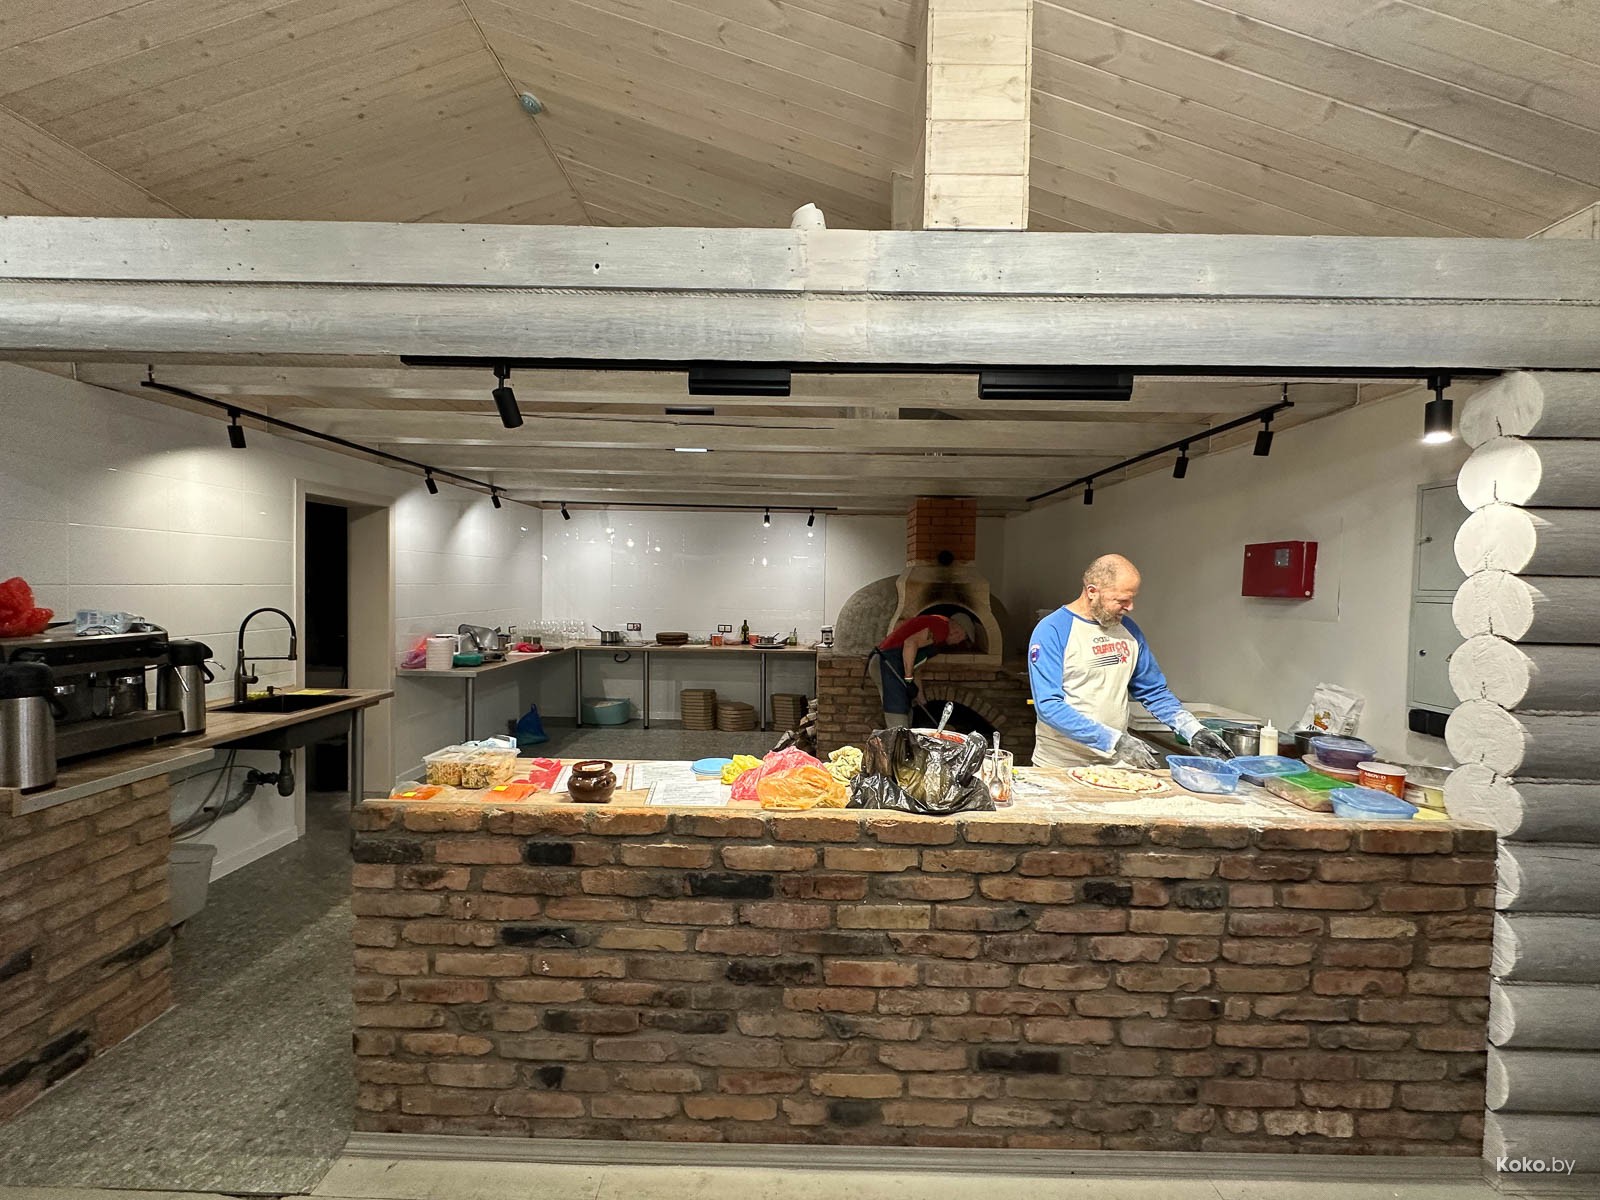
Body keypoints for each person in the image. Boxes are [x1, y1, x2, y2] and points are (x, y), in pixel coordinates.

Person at [1027, 554, 1233, 768]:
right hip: (1061, 764)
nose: (1130, 607)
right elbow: (1049, 706)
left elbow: (1153, 691)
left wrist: (1193, 730)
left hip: (1116, 763)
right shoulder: (1053, 630)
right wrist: (1113, 740)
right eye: (1122, 600)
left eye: (1132, 599)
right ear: (1092, 592)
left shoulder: (1129, 630)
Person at [871, 611, 975, 727]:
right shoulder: (942, 628)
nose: (959, 642)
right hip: (887, 663)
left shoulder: (938, 639)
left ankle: (902, 737)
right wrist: (908, 679)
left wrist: (921, 699)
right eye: (962, 637)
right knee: (897, 712)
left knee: (907, 712)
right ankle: (895, 737)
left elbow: (917, 668)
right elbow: (910, 643)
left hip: (894, 665)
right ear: (957, 631)